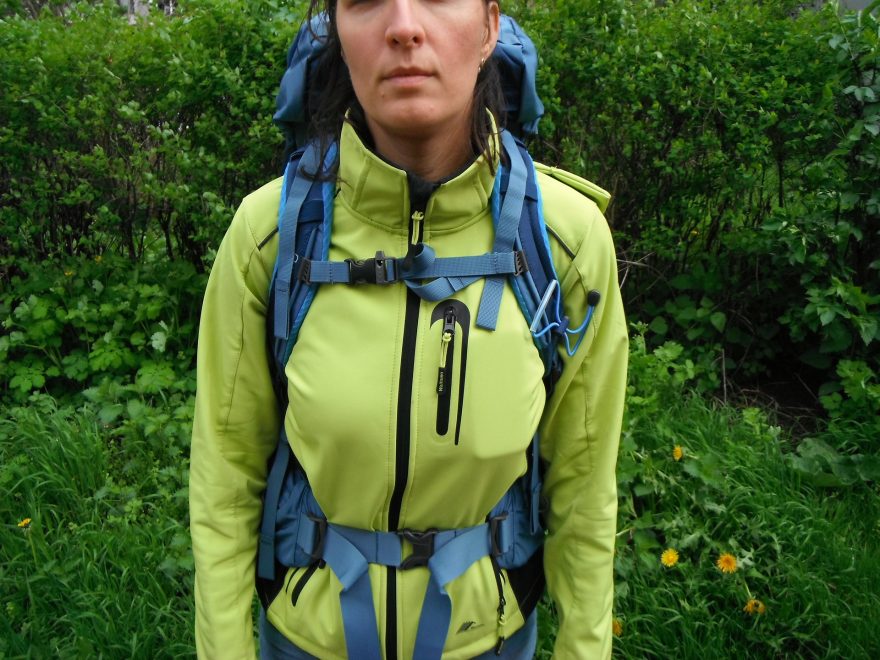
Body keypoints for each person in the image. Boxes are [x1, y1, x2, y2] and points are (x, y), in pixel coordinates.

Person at [189, 0, 628, 658]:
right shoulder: (270, 236)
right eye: (365, 0)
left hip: (489, 641)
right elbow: (225, 477)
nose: (403, 26)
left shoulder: (565, 241)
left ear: (488, 26)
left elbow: (585, 485)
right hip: (308, 640)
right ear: (338, 34)